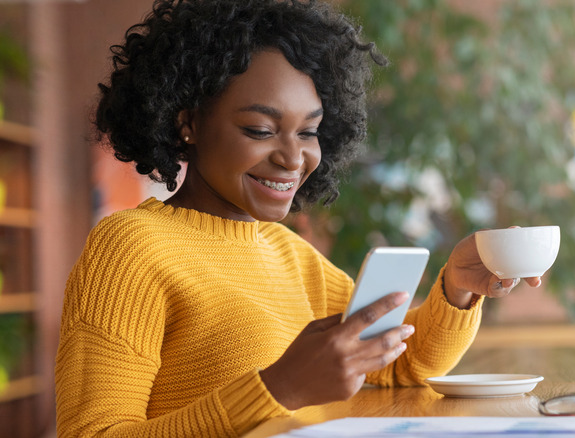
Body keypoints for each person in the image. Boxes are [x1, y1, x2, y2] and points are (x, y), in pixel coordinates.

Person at [54, 0, 541, 436]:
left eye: (308, 131)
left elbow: (398, 365)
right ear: (188, 123)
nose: (293, 158)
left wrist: (458, 287)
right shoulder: (130, 248)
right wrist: (278, 389)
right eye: (260, 129)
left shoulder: (290, 255)